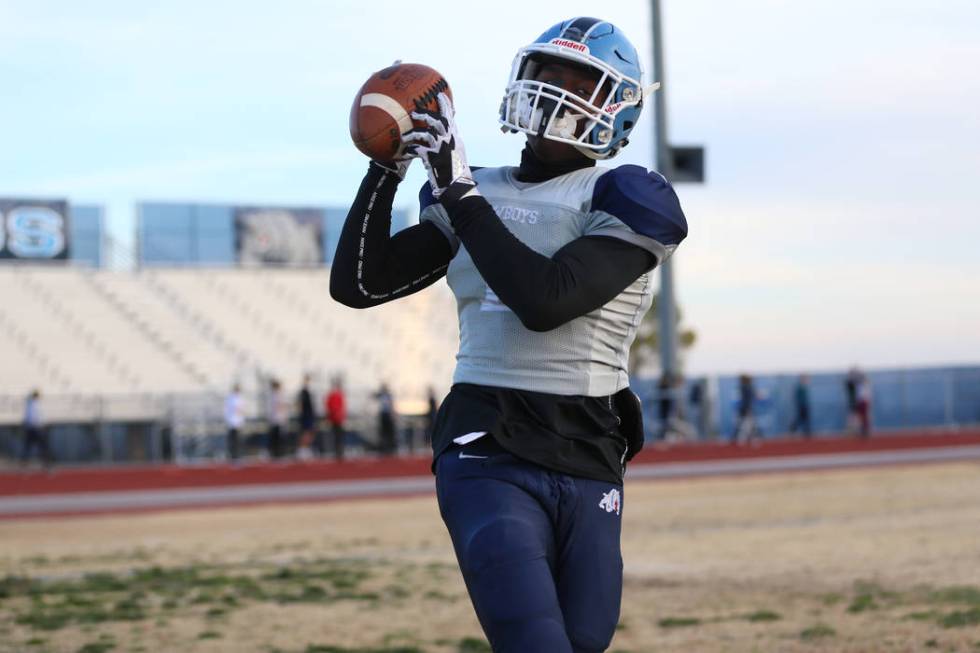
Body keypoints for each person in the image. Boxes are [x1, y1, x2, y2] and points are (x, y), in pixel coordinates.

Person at [331, 17, 687, 652]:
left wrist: (460, 192)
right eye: (547, 74)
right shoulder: (476, 188)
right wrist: (386, 169)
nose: (555, 91)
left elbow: (547, 301)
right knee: (534, 642)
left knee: (583, 641)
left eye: (580, 81)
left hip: (588, 444)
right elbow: (361, 283)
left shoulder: (630, 192)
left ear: (618, 108)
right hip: (485, 436)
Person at [21, 389, 52, 467]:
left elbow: (28, 418)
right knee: (41, 447)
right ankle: (45, 464)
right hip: (36, 428)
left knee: (29, 447)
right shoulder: (34, 404)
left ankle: (25, 463)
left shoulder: (30, 404)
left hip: (32, 428)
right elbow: (35, 417)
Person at [732, 373, 758, 445]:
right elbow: (747, 400)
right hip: (745, 409)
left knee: (747, 426)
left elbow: (749, 399)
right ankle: (743, 441)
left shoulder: (746, 387)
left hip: (745, 409)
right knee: (746, 426)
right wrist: (748, 410)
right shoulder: (746, 388)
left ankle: (747, 440)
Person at [265, 379, 288, 459]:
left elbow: (283, 406)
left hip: (279, 419)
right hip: (275, 419)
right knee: (275, 437)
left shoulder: (280, 395)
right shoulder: (273, 396)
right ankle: (275, 453)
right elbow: (274, 408)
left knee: (279, 437)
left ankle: (278, 453)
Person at [325, 378, 347, 460]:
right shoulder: (333, 395)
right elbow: (330, 407)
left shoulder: (338, 395)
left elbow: (342, 407)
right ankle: (338, 452)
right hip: (335, 418)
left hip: (338, 418)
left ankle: (339, 451)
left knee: (339, 436)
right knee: (336, 435)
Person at [296, 375, 317, 459]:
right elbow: (300, 404)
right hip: (305, 415)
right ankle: (302, 450)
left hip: (310, 414)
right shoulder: (303, 392)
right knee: (305, 433)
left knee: (310, 432)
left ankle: (306, 449)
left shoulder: (309, 391)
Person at [224, 384, 245, 460]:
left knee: (237, 440)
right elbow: (231, 410)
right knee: (233, 440)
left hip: (237, 422)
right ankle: (233, 456)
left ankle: (236, 455)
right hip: (232, 422)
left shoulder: (239, 398)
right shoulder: (231, 398)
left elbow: (241, 411)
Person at [374, 383, 397, 455]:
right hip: (383, 415)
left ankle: (390, 448)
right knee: (383, 433)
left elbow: (391, 405)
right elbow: (374, 395)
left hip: (387, 415)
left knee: (389, 433)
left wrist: (393, 414)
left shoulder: (389, 396)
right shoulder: (381, 395)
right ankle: (384, 448)